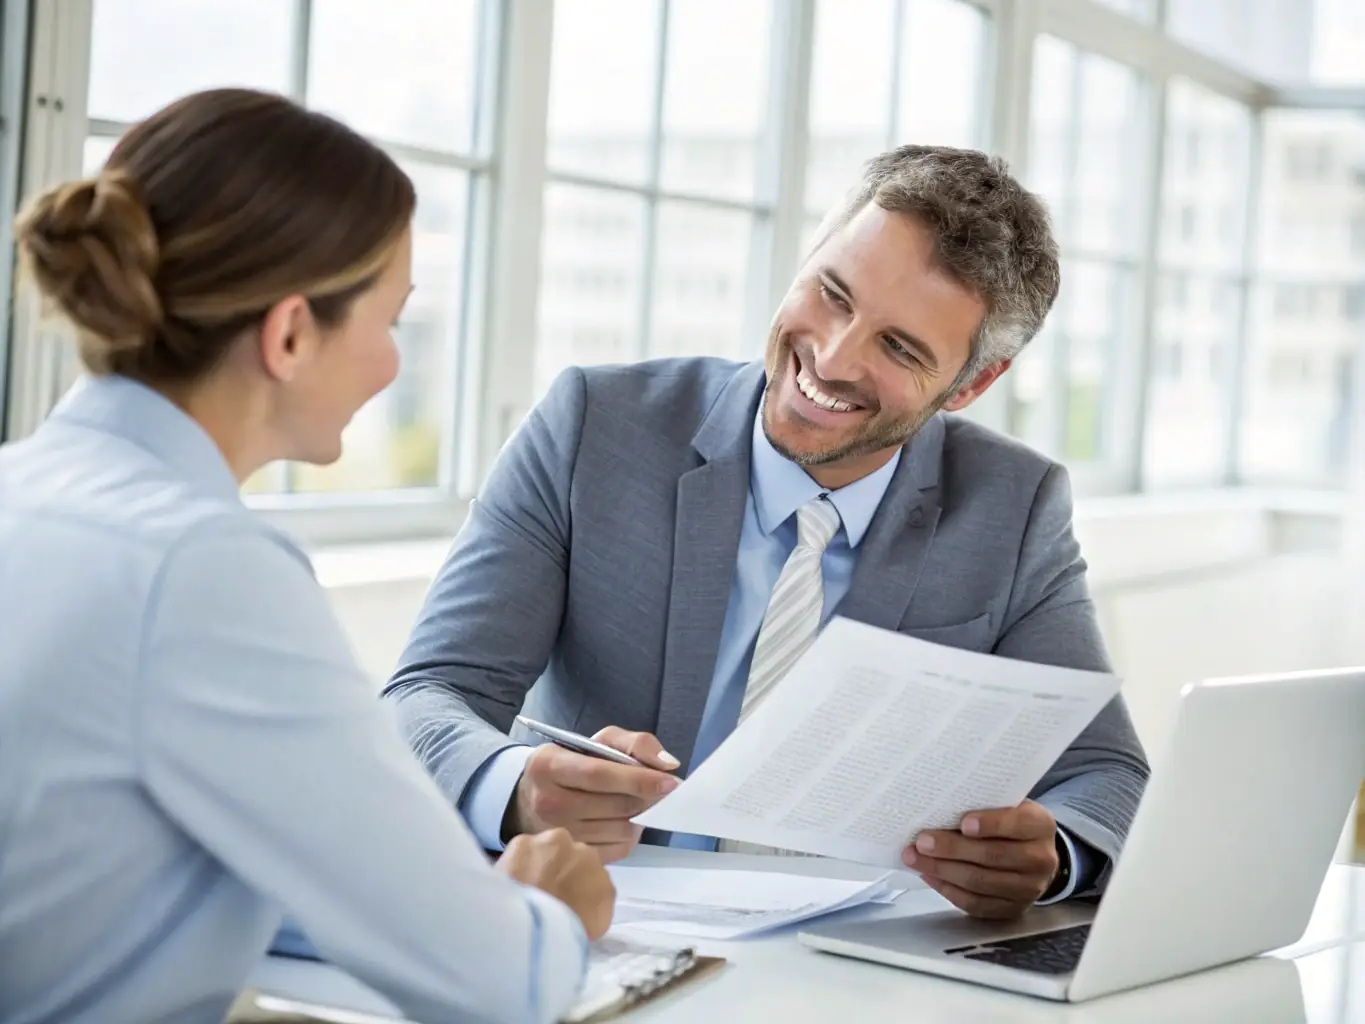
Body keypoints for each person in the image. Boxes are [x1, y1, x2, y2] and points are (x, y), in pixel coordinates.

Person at [385, 145, 1151, 921]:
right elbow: (426, 694)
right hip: (603, 921)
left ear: (972, 383)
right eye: (832, 293)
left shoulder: (1014, 507)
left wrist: (1054, 858)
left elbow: (1107, 774)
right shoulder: (594, 427)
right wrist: (513, 785)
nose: (832, 354)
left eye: (898, 347)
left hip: (852, 961)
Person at [0, 88, 613, 1024]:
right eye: (391, 321)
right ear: (289, 334)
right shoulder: (203, 567)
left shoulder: (26, 490)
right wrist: (547, 911)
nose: (391, 367)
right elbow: (500, 987)